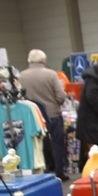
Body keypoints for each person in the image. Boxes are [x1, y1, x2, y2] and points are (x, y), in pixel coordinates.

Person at [19, 49, 69, 181]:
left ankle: (45, 170)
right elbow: (61, 95)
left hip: (33, 116)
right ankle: (59, 172)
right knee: (57, 143)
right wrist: (57, 102)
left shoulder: (22, 76)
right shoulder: (51, 74)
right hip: (52, 114)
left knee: (39, 145)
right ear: (43, 60)